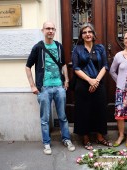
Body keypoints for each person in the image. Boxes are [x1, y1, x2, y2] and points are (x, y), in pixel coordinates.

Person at [25, 21, 75, 155]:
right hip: (44, 88)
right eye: (48, 28)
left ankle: (66, 139)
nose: (50, 31)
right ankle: (46, 143)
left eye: (53, 29)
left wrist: (66, 80)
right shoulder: (38, 47)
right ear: (43, 30)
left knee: (63, 116)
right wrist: (32, 85)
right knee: (45, 118)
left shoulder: (59, 46)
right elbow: (27, 66)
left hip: (59, 86)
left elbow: (63, 64)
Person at [72, 23, 112, 150]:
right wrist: (90, 80)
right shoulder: (77, 49)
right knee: (83, 111)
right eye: (84, 32)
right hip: (82, 85)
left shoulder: (100, 48)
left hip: (98, 84)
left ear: (94, 34)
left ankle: (100, 137)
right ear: (81, 35)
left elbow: (105, 66)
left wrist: (96, 81)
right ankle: (85, 138)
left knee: (100, 110)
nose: (87, 34)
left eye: (90, 32)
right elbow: (76, 68)